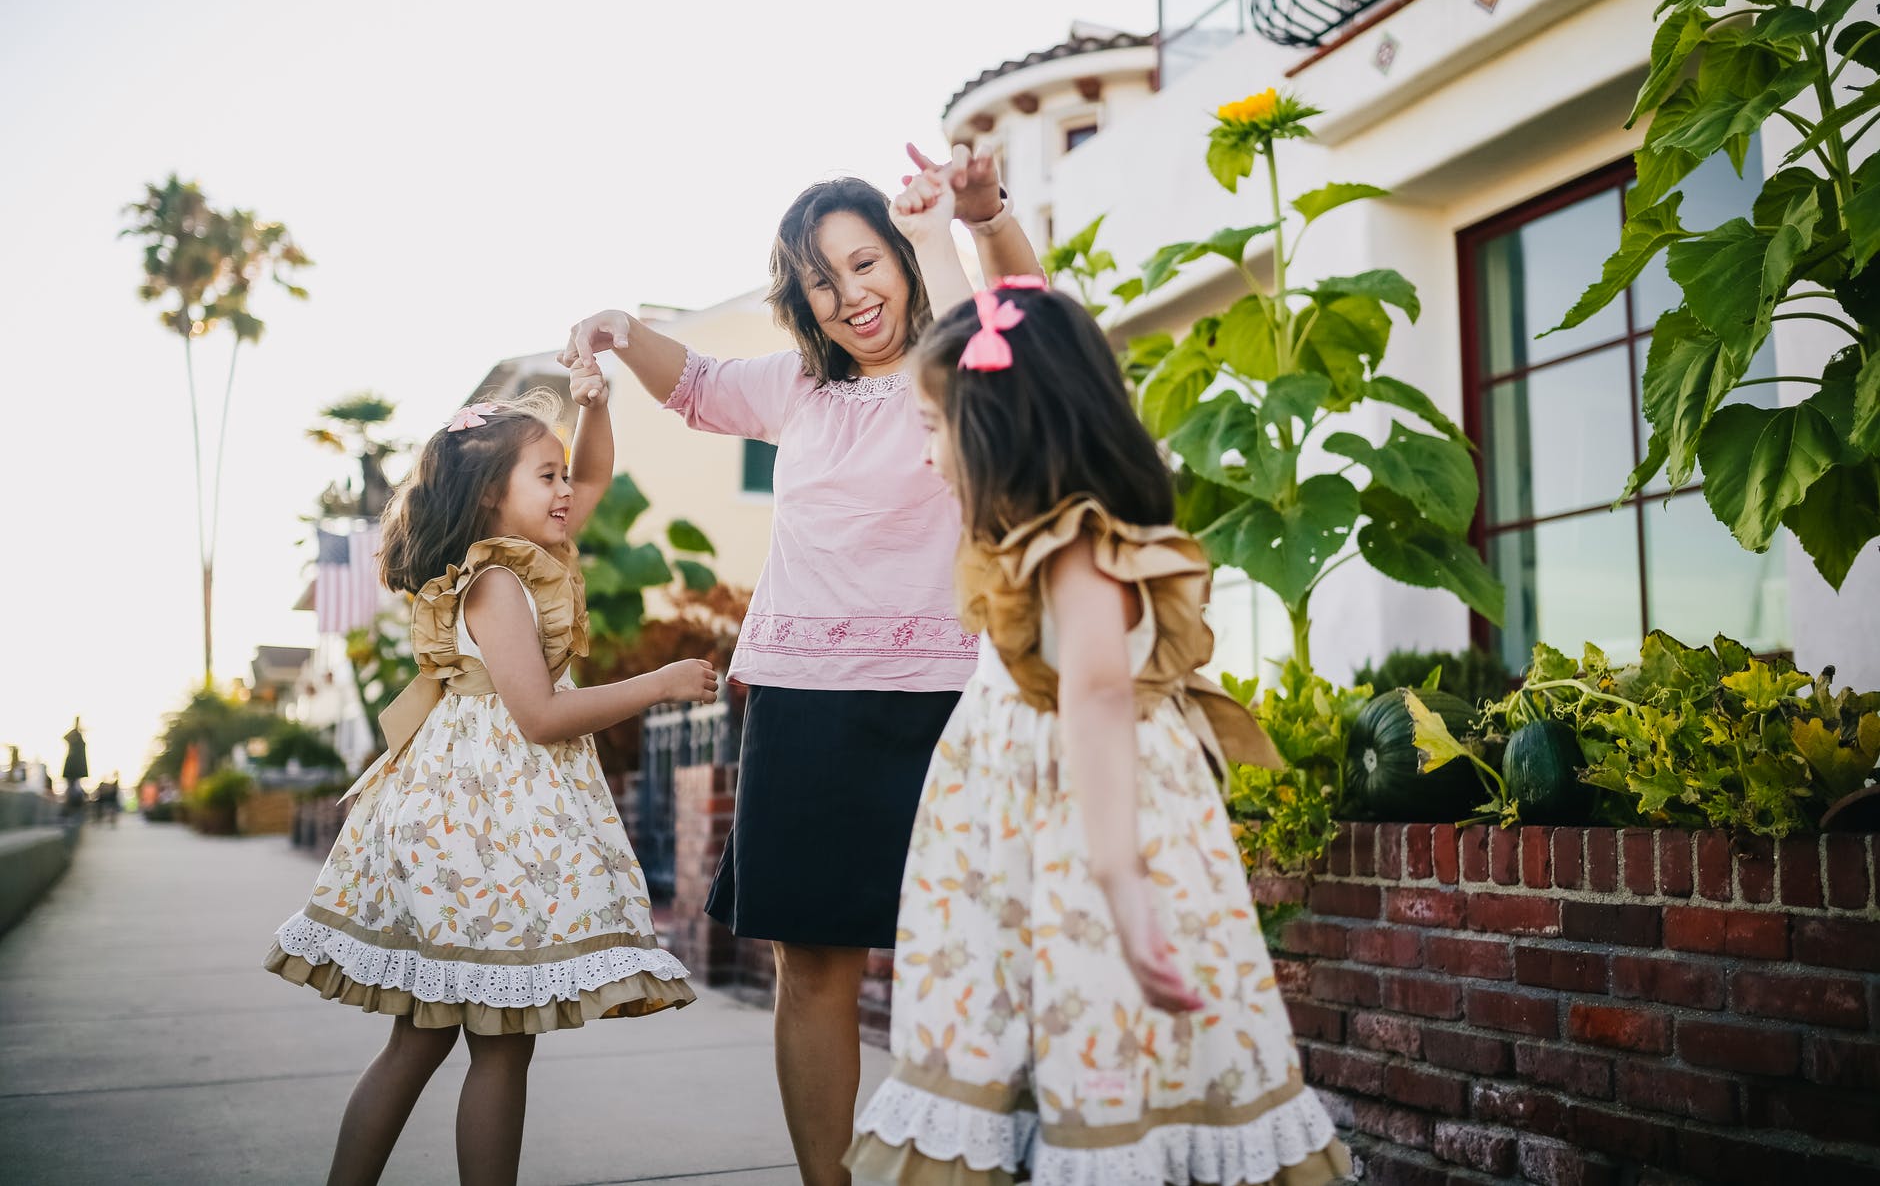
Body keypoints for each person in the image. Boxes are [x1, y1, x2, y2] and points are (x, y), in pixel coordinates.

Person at [842, 178, 1353, 1185]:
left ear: (997, 428)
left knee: (1094, 1025)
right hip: (1020, 847)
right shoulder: (1030, 535)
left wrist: (1119, 879)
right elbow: (988, 325)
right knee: (1033, 1036)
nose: (925, 447)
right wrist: (949, 227)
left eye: (932, 425)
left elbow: (1098, 696)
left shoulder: (1075, 546)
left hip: (1079, 836)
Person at [563, 146, 1039, 1186]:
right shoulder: (794, 389)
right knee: (811, 964)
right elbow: (689, 385)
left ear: (905, 259)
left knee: (959, 956)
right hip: (802, 703)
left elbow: (1025, 308)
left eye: (864, 263)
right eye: (820, 280)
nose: (847, 295)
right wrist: (618, 325)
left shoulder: (962, 359)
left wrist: (975, 215)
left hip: (945, 704)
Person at [265, 378, 717, 1186]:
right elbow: (540, 714)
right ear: (489, 494)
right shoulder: (498, 584)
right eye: (546, 475)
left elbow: (599, 478)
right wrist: (660, 683)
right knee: (493, 1042)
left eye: (562, 474)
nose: (567, 489)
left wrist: (599, 408)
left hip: (475, 818)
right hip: (476, 827)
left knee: (433, 1036)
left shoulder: (522, 562)